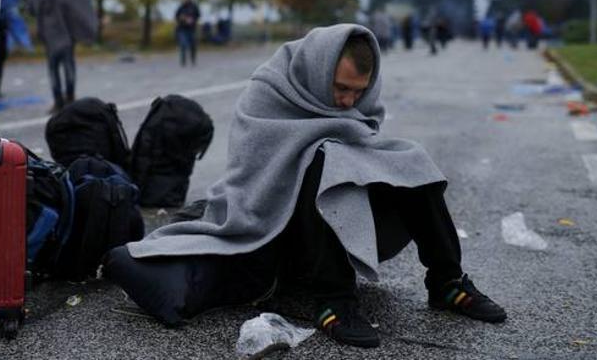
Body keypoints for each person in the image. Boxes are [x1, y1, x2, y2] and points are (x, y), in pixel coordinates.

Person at [105, 24, 506, 349]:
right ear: (318, 71)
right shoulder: (270, 91)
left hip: (336, 222)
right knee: (324, 160)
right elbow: (255, 173)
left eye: (358, 92)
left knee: (410, 157)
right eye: (341, 88)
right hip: (271, 221)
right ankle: (334, 301)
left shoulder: (353, 104)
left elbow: (364, 143)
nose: (349, 103)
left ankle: (446, 281)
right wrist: (330, 151)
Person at [28, 0, 97, 113]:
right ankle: (58, 100)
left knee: (68, 64)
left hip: (67, 26)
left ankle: (70, 97)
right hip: (49, 25)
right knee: (52, 66)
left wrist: (64, 3)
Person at [174, 0, 200, 66]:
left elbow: (198, 16)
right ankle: (183, 61)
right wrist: (182, 18)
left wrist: (192, 20)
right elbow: (176, 16)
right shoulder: (180, 7)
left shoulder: (194, 7)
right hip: (182, 29)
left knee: (193, 45)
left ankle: (193, 59)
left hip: (191, 29)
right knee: (183, 44)